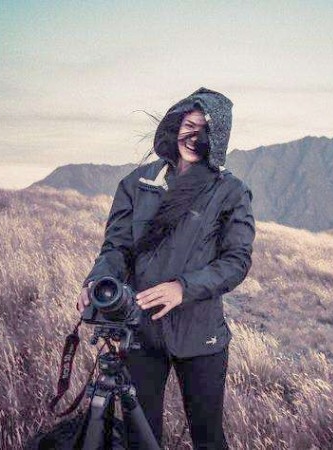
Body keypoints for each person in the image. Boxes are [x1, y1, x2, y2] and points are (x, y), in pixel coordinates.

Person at [76, 87, 255, 449]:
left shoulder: (230, 191)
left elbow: (236, 261)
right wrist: (98, 281)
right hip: (141, 331)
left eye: (205, 130)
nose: (193, 137)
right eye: (189, 125)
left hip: (201, 335)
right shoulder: (137, 184)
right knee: (140, 438)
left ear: (218, 139)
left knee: (208, 439)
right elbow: (116, 247)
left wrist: (183, 288)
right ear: (175, 125)